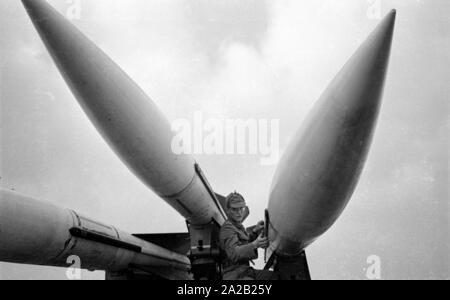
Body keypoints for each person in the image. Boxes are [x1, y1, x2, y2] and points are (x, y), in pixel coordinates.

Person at [219, 192, 278, 280]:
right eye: (235, 210)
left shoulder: (237, 226)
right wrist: (255, 244)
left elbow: (243, 244)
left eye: (241, 209)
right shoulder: (227, 229)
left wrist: (254, 232)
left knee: (275, 277)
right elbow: (234, 253)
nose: (239, 213)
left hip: (245, 271)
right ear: (228, 210)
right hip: (235, 275)